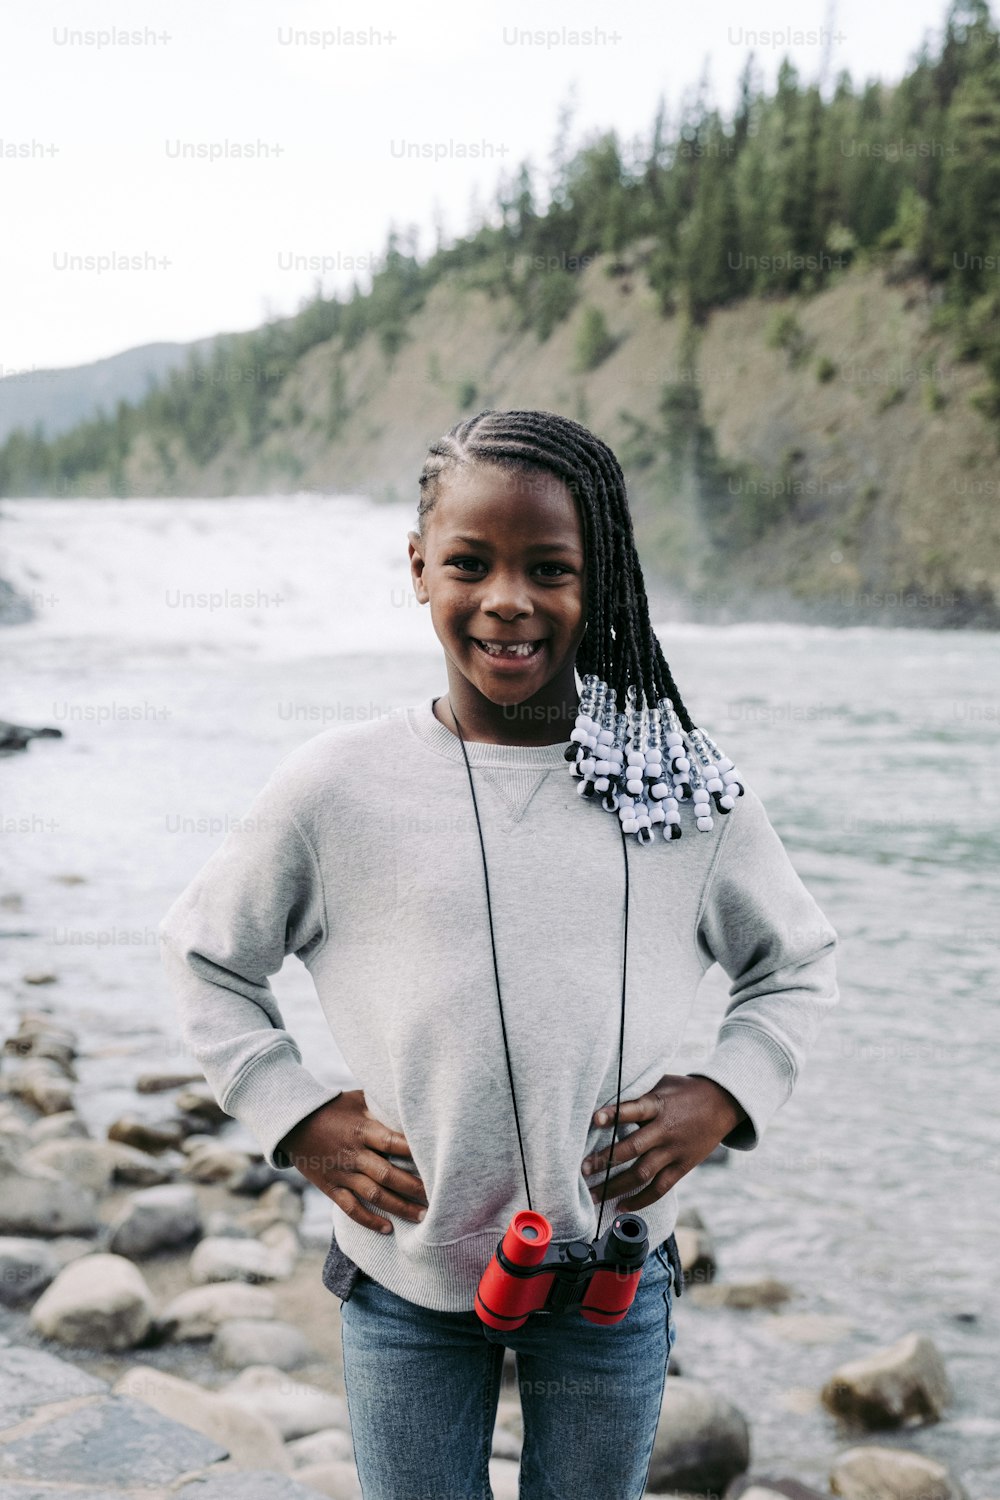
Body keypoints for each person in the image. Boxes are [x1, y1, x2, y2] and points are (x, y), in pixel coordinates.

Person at [158, 408, 839, 1500]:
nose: (508, 600)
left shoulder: (676, 785)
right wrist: (295, 1115)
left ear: (600, 577)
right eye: (469, 564)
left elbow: (795, 965)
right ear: (419, 568)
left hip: (612, 1274)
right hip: (401, 1269)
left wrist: (721, 1094)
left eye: (550, 569)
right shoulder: (337, 786)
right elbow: (206, 959)